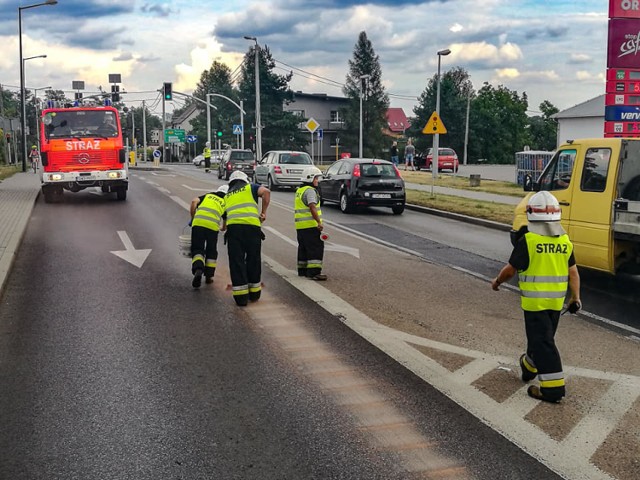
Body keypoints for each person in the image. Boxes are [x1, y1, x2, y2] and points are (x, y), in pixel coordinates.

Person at [491, 190, 581, 403]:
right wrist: (575, 297)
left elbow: (510, 270)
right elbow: (573, 272)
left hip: (535, 304)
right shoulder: (564, 241)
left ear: (531, 213)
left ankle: (553, 389)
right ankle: (529, 367)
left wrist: (497, 282)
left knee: (543, 343)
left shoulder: (528, 241)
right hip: (555, 304)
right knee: (542, 339)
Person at [224, 171, 270, 306]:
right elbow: (266, 192)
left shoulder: (227, 195)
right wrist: (263, 213)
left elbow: (226, 216)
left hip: (234, 230)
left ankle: (241, 297)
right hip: (252, 229)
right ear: (245, 180)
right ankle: (255, 294)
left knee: (236, 261)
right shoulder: (251, 187)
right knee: (253, 259)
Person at [189, 184, 228, 289]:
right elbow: (225, 219)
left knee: (197, 248)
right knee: (211, 250)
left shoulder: (208, 195)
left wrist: (193, 218)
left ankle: (198, 269)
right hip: (212, 227)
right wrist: (223, 228)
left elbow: (194, 202)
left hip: (198, 224)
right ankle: (209, 276)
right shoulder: (226, 201)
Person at [295, 166, 327, 281]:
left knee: (303, 248)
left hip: (300, 227)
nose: (317, 181)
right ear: (310, 178)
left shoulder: (300, 190)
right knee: (315, 248)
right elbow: (312, 206)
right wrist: (318, 222)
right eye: (316, 178)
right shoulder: (310, 191)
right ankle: (314, 272)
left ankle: (302, 270)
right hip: (310, 225)